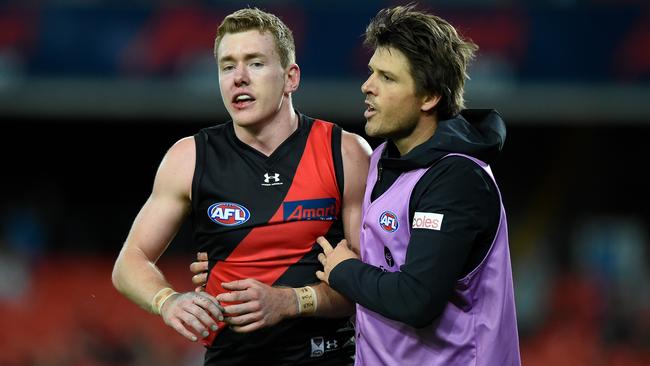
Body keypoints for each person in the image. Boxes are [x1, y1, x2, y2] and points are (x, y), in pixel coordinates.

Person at [111, 7, 370, 365]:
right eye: (227, 66)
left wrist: (292, 301)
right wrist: (168, 301)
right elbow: (129, 262)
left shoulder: (345, 152)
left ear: (291, 77)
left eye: (256, 63)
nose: (239, 78)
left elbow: (372, 283)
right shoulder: (189, 158)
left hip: (328, 357)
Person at [314, 5, 521, 365]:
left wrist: (344, 271)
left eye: (387, 78)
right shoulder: (381, 157)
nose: (367, 86)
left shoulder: (458, 179)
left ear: (429, 97)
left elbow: (416, 299)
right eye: (371, 72)